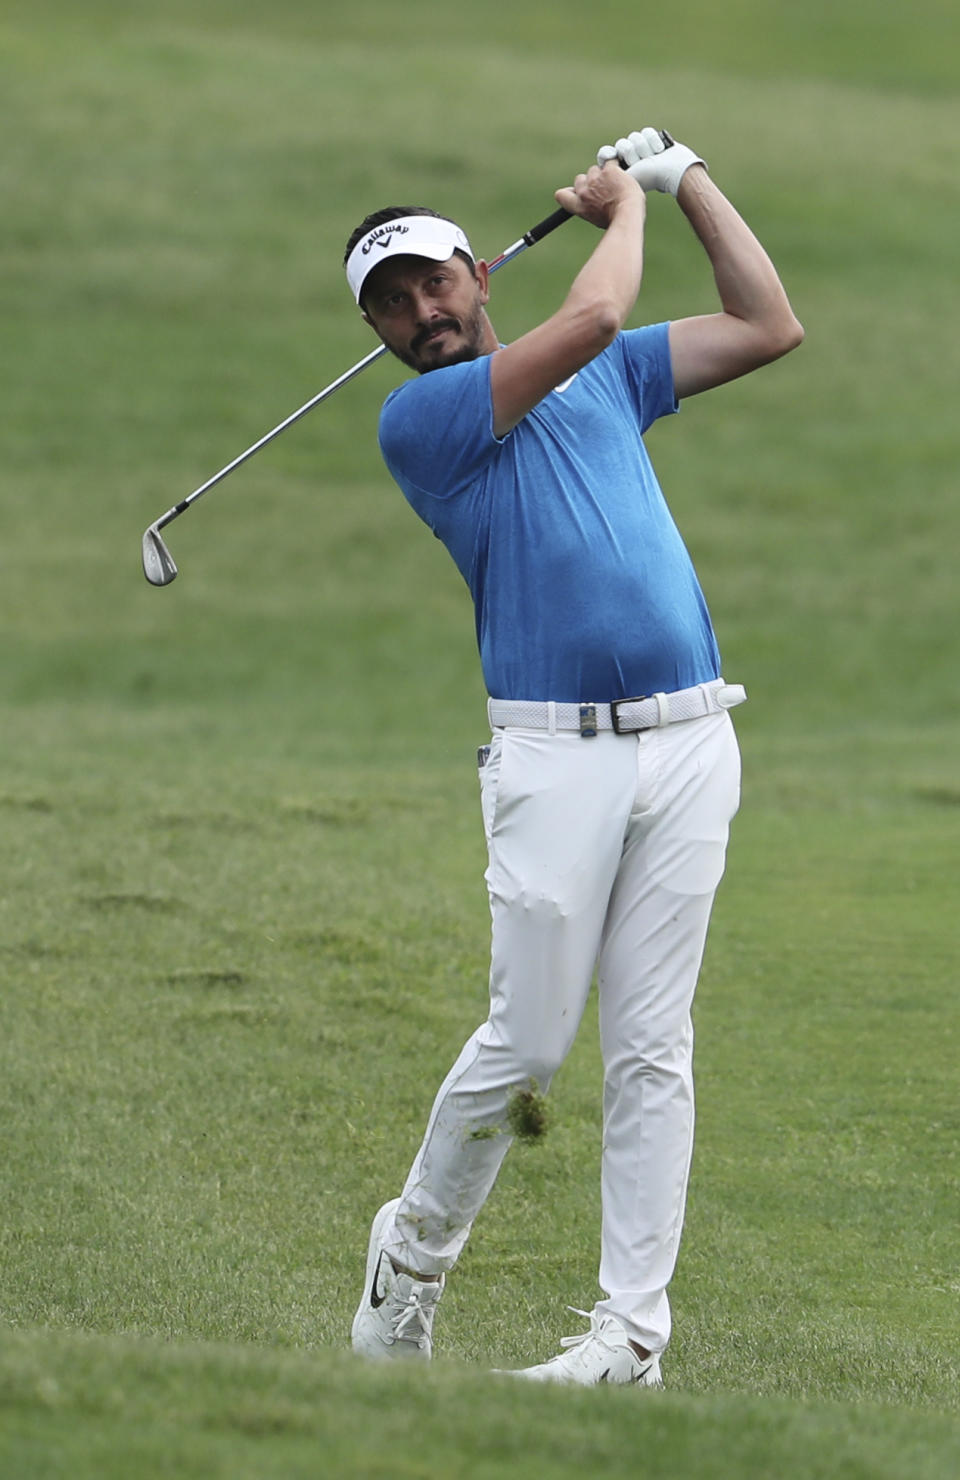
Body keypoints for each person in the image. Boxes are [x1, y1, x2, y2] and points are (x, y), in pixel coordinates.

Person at [344, 127, 803, 1386]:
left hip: (693, 736)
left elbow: (768, 325)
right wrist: (618, 209)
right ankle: (414, 1254)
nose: (421, 311)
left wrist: (690, 177)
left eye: (435, 279)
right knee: (533, 1040)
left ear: (480, 273)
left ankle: (629, 1340)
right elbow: (596, 316)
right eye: (391, 303)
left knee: (656, 1045)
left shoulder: (606, 381)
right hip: (554, 760)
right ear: (382, 332)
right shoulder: (424, 419)